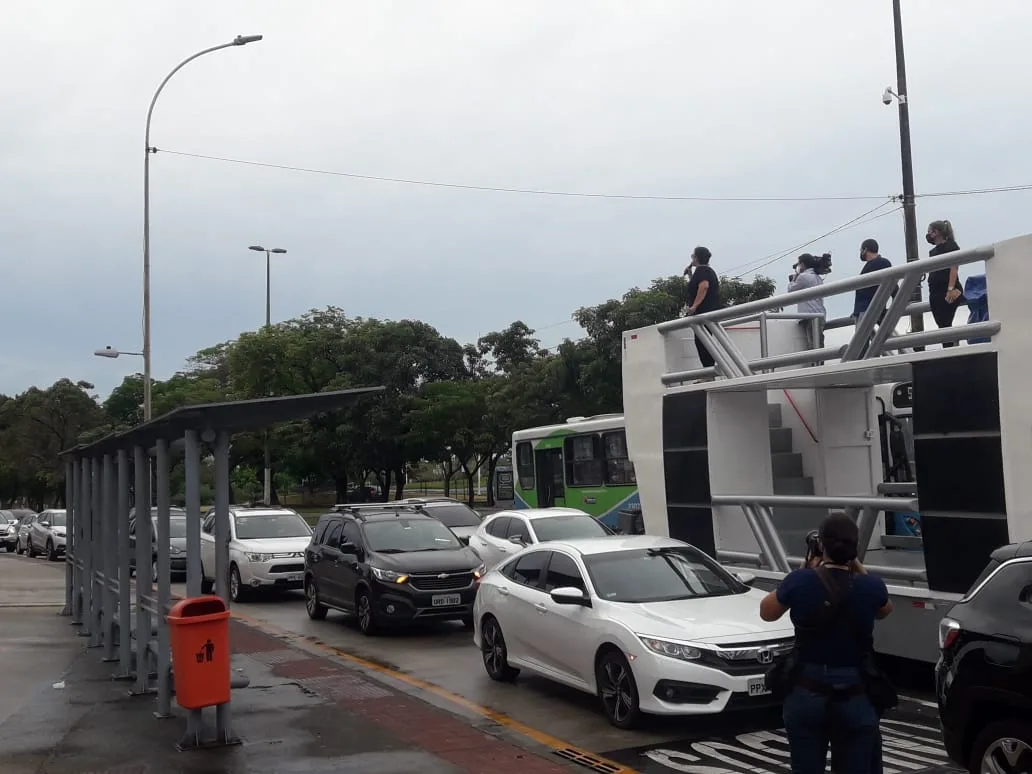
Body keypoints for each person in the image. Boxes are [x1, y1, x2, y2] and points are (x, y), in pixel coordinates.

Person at [760, 514, 894, 774]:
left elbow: (767, 612)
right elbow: (884, 610)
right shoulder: (871, 586)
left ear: (821, 546)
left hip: (806, 688)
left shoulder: (800, 581)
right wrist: (856, 565)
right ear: (854, 548)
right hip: (855, 690)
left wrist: (806, 570)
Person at [683, 246, 723, 371]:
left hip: (704, 312)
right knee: (703, 341)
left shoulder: (702, 271)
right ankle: (708, 371)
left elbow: (704, 286)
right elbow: (698, 286)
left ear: (696, 258)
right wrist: (690, 275)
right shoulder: (706, 271)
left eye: (693, 256)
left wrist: (694, 306)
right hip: (709, 310)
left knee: (702, 342)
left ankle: (709, 372)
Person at [926, 220, 964, 347]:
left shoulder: (951, 246)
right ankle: (948, 350)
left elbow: (954, 268)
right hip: (935, 292)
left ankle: (951, 352)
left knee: (945, 323)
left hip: (947, 289)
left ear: (936, 232)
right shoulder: (933, 252)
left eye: (930, 231)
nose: (928, 234)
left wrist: (951, 288)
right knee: (941, 325)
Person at [788, 253, 827, 353]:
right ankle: (819, 365)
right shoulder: (817, 277)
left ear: (803, 264)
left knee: (813, 347)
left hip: (810, 315)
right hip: (819, 313)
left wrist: (795, 277)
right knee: (818, 344)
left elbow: (791, 290)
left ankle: (816, 366)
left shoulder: (803, 277)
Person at [852, 239, 892, 321]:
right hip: (877, 309)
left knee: (863, 333)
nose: (860, 252)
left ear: (865, 250)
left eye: (861, 250)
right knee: (885, 333)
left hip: (866, 310)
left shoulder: (878, 264)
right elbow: (892, 284)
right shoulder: (883, 263)